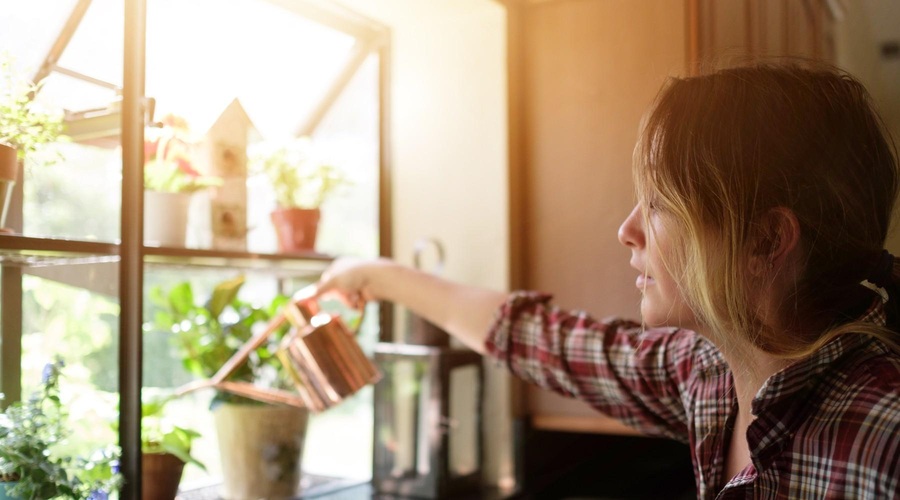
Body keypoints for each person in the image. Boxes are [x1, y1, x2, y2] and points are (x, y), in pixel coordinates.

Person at [313, 62, 900, 498]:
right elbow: (544, 339)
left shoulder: (884, 435)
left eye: (660, 204)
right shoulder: (707, 372)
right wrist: (372, 275)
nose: (626, 229)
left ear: (767, 241)